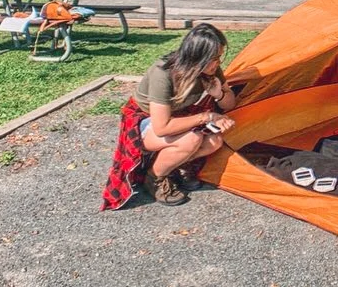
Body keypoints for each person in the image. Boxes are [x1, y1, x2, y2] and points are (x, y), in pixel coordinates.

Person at [101, 24, 237, 210]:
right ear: (198, 57)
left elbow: (230, 103)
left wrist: (219, 94)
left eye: (219, 57)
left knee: (214, 141)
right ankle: (154, 177)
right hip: (144, 121)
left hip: (179, 116)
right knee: (191, 139)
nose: (218, 63)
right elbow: (162, 127)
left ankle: (175, 167)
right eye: (214, 59)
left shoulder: (211, 70)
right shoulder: (163, 72)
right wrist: (207, 116)